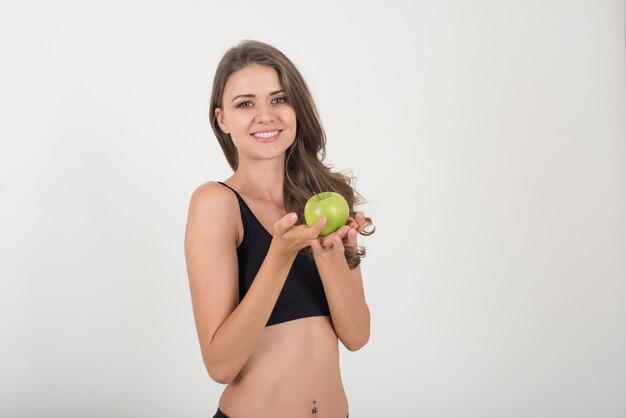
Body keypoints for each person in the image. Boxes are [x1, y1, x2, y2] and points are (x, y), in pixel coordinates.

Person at [184, 40, 375, 418]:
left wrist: (329, 257)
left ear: (296, 109)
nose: (265, 115)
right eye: (245, 103)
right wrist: (280, 256)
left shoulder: (325, 199)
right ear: (222, 120)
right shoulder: (216, 203)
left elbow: (356, 336)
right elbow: (220, 365)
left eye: (279, 99)